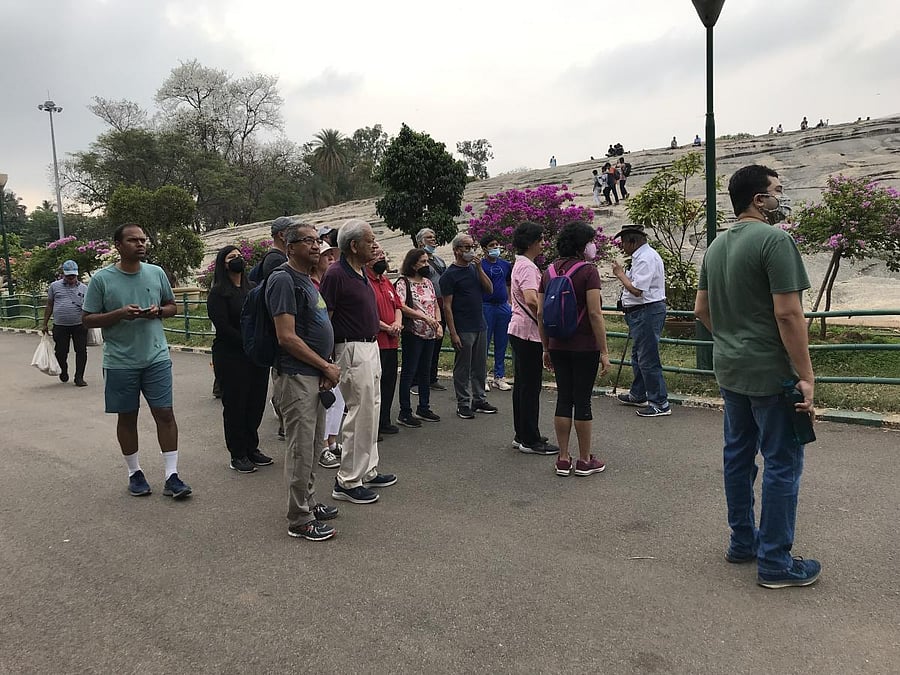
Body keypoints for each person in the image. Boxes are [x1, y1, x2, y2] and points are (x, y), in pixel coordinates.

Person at [694, 164, 820, 588]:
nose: (780, 199)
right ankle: (776, 564)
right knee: (783, 464)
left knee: (738, 457)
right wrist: (806, 375)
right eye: (776, 192)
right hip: (771, 373)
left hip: (731, 370)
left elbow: (701, 311)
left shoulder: (715, 247)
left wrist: (730, 340)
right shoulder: (775, 240)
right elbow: (788, 313)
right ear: (758, 200)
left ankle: (742, 542)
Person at [82, 223, 191, 499]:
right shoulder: (102, 280)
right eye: (133, 240)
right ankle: (135, 473)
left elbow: (172, 306)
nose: (140, 244)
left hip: (156, 357)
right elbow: (87, 318)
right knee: (127, 417)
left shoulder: (156, 273)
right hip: (120, 361)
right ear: (118, 245)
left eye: (143, 240)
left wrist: (158, 312)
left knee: (165, 414)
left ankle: (172, 475)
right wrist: (119, 313)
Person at [267, 223, 340, 541]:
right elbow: (286, 337)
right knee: (300, 448)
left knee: (312, 446)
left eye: (318, 241)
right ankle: (299, 518)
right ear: (289, 246)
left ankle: (308, 501)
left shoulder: (308, 280)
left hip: (314, 375)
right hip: (296, 375)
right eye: (307, 241)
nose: (316, 246)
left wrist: (325, 368)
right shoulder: (283, 279)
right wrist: (324, 364)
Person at [320, 219, 397, 505]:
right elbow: (324, 316)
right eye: (369, 240)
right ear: (353, 245)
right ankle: (347, 480)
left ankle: (367, 468)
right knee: (358, 413)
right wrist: (326, 359)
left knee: (372, 410)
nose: (374, 245)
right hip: (350, 349)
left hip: (370, 345)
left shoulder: (361, 272)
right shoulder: (337, 274)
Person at [538, 222, 611, 477]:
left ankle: (562, 457)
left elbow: (540, 312)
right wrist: (603, 351)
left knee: (563, 398)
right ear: (583, 245)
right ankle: (584, 460)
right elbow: (594, 312)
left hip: (557, 344)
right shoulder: (589, 272)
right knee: (582, 400)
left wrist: (546, 347)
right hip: (584, 346)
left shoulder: (548, 271)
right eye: (591, 241)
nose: (594, 245)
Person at [206, 245, 273, 474]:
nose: (237, 260)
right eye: (231, 257)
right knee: (236, 405)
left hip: (256, 356)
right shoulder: (218, 293)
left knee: (255, 403)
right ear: (222, 264)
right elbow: (223, 327)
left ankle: (252, 447)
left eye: (238, 256)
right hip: (231, 356)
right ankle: (238, 454)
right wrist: (248, 342)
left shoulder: (252, 288)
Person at [508, 222, 557, 455]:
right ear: (530, 243)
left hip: (518, 330)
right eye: (540, 240)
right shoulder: (528, 267)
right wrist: (549, 312)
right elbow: (530, 298)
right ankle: (531, 438)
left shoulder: (520, 263)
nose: (543, 244)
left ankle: (522, 433)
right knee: (529, 387)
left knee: (522, 386)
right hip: (528, 331)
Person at [612, 226, 670, 417]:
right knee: (639, 355)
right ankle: (639, 393)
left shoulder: (645, 258)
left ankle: (660, 402)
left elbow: (637, 290)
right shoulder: (640, 257)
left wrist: (620, 274)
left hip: (647, 311)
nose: (622, 247)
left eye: (623, 243)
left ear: (632, 241)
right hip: (639, 312)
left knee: (647, 358)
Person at [440, 232, 497, 419]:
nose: (471, 250)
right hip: (463, 327)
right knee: (463, 366)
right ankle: (463, 402)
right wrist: (453, 333)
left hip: (480, 323)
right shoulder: (449, 275)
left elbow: (489, 289)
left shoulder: (474, 269)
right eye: (466, 247)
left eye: (472, 246)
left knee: (480, 365)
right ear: (456, 250)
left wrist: (480, 269)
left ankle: (479, 399)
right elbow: (447, 306)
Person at [395, 248, 443, 428]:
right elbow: (401, 305)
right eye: (422, 262)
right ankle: (405, 411)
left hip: (430, 332)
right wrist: (424, 318)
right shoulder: (403, 283)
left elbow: (435, 305)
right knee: (409, 371)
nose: (426, 265)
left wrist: (437, 324)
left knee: (425, 370)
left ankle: (424, 406)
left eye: (427, 262)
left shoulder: (428, 283)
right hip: (413, 332)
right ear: (413, 264)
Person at [259, 216, 295, 441]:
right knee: (283, 379)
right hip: (279, 330)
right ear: (282, 235)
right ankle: (285, 422)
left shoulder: (278, 258)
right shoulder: (275, 261)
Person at [310, 242, 344, 467]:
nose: (331, 259)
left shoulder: (328, 283)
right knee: (323, 400)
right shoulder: (311, 285)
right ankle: (321, 445)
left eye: (333, 256)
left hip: (334, 348)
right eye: (326, 256)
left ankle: (332, 439)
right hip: (318, 351)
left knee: (338, 398)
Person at [366, 248, 404, 433]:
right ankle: (372, 426)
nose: (381, 257)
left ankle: (384, 420)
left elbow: (397, 305)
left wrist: (397, 323)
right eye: (376, 255)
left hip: (391, 340)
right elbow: (367, 313)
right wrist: (386, 327)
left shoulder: (386, 281)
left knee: (389, 381)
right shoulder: (365, 282)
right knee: (374, 386)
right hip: (376, 340)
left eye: (383, 254)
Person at [42, 259, 89, 386]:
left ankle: (79, 377)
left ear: (77, 274)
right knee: (61, 352)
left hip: (79, 325)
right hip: (60, 326)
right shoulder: (54, 286)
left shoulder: (84, 288)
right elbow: (49, 305)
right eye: (68, 276)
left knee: (81, 351)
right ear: (64, 274)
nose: (71, 278)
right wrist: (44, 323)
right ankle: (63, 370)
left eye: (73, 275)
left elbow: (89, 307)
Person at [415, 227, 449, 393]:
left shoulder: (439, 260)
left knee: (437, 341)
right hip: (424, 305)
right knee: (422, 344)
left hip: (440, 304)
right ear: (421, 242)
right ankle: (418, 379)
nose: (433, 240)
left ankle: (432, 377)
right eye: (429, 237)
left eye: (434, 237)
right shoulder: (417, 261)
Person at [479, 232, 513, 392]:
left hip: (502, 306)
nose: (496, 248)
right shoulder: (480, 265)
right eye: (492, 246)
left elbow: (509, 284)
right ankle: (482, 376)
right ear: (485, 248)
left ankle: (499, 376)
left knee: (502, 342)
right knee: (484, 343)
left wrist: (510, 302)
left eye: (497, 245)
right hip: (486, 306)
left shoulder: (505, 265)